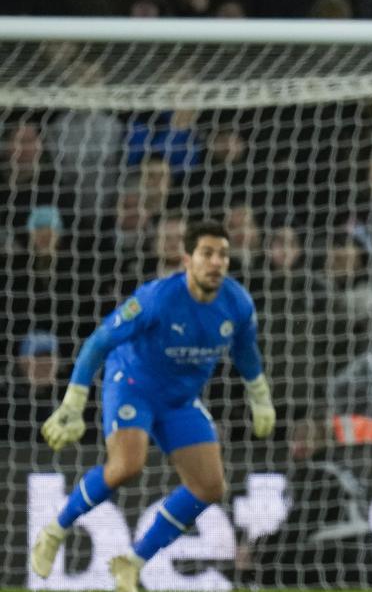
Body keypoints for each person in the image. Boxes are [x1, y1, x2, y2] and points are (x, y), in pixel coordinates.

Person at [29, 221, 276, 592]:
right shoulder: (157, 299)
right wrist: (73, 403)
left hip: (179, 400)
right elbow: (98, 342)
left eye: (222, 254)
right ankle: (54, 530)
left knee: (210, 487)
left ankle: (133, 560)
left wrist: (261, 399)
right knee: (128, 466)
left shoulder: (237, 304)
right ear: (187, 259)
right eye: (207, 254)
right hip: (131, 386)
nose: (216, 262)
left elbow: (246, 353)